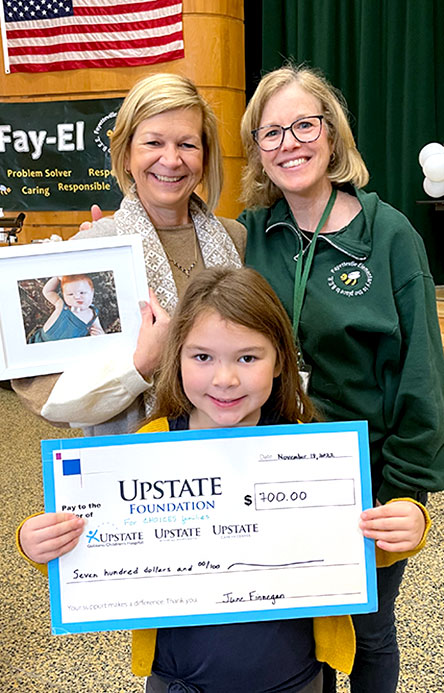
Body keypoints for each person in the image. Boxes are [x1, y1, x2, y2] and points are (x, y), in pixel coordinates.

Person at [17, 267, 430, 693]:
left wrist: (406, 524)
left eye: (247, 358)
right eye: (202, 357)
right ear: (176, 359)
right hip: (180, 680)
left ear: (279, 362)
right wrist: (37, 543)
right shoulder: (146, 448)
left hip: (295, 678)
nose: (225, 379)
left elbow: (355, 548)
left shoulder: (310, 449)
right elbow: (93, 544)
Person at [237, 64, 444, 693]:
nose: (288, 143)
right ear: (257, 151)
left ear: (332, 135)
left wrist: (409, 494)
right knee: (296, 631)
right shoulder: (248, 238)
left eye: (303, 124)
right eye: (270, 133)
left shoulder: (389, 236)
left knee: (369, 631)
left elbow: (422, 375)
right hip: (271, 477)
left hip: (367, 483)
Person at [12, 73, 245, 435]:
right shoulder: (95, 248)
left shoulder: (236, 239)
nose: (171, 160)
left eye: (187, 144)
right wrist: (139, 366)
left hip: (230, 449)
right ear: (125, 156)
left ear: (205, 157)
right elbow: (44, 394)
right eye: (153, 142)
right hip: (129, 467)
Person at [29, 274, 104, 343]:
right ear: (64, 295)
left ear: (92, 292)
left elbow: (99, 330)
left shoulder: (92, 314)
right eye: (70, 294)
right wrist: (57, 278)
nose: (77, 297)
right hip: (42, 341)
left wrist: (101, 335)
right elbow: (47, 291)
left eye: (82, 293)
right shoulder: (61, 304)